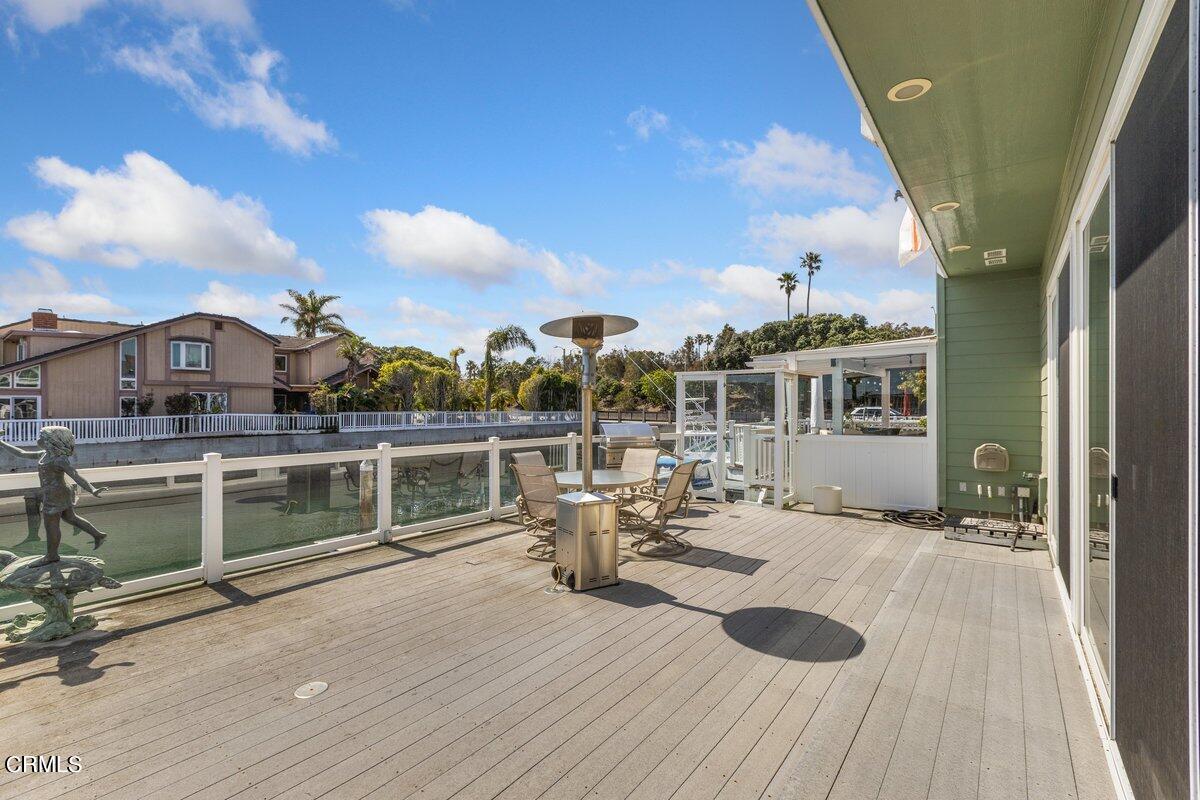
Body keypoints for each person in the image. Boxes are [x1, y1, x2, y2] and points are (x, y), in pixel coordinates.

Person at [0, 425, 108, 566]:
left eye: (42, 437)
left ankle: (52, 555)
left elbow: (76, 475)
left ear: (52, 441)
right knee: (70, 517)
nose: (38, 439)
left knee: (51, 524)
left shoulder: (59, 459)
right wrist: (1, 443)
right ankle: (98, 535)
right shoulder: (44, 454)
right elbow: (22, 453)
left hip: (56, 494)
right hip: (56, 492)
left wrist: (92, 489)